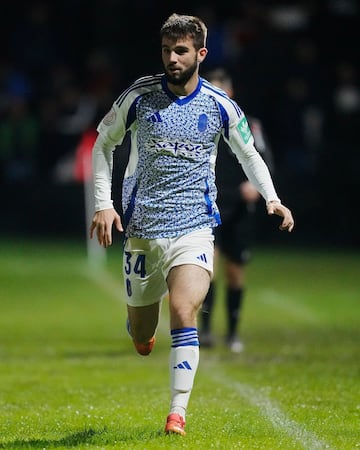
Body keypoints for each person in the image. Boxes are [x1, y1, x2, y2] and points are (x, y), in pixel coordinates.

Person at [90, 13, 294, 436]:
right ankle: (139, 323)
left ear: (200, 53)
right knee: (143, 338)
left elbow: (249, 154)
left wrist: (272, 198)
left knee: (184, 310)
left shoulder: (220, 105)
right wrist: (103, 204)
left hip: (194, 228)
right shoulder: (139, 97)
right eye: (166, 50)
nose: (172, 58)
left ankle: (177, 413)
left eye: (180, 50)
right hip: (142, 231)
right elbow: (103, 143)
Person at [199, 68, 274, 353]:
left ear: (229, 93)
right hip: (210, 205)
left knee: (235, 272)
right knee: (208, 269)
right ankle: (205, 331)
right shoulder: (201, 124)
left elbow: (264, 159)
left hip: (240, 209)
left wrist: (256, 187)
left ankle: (232, 333)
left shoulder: (248, 125)